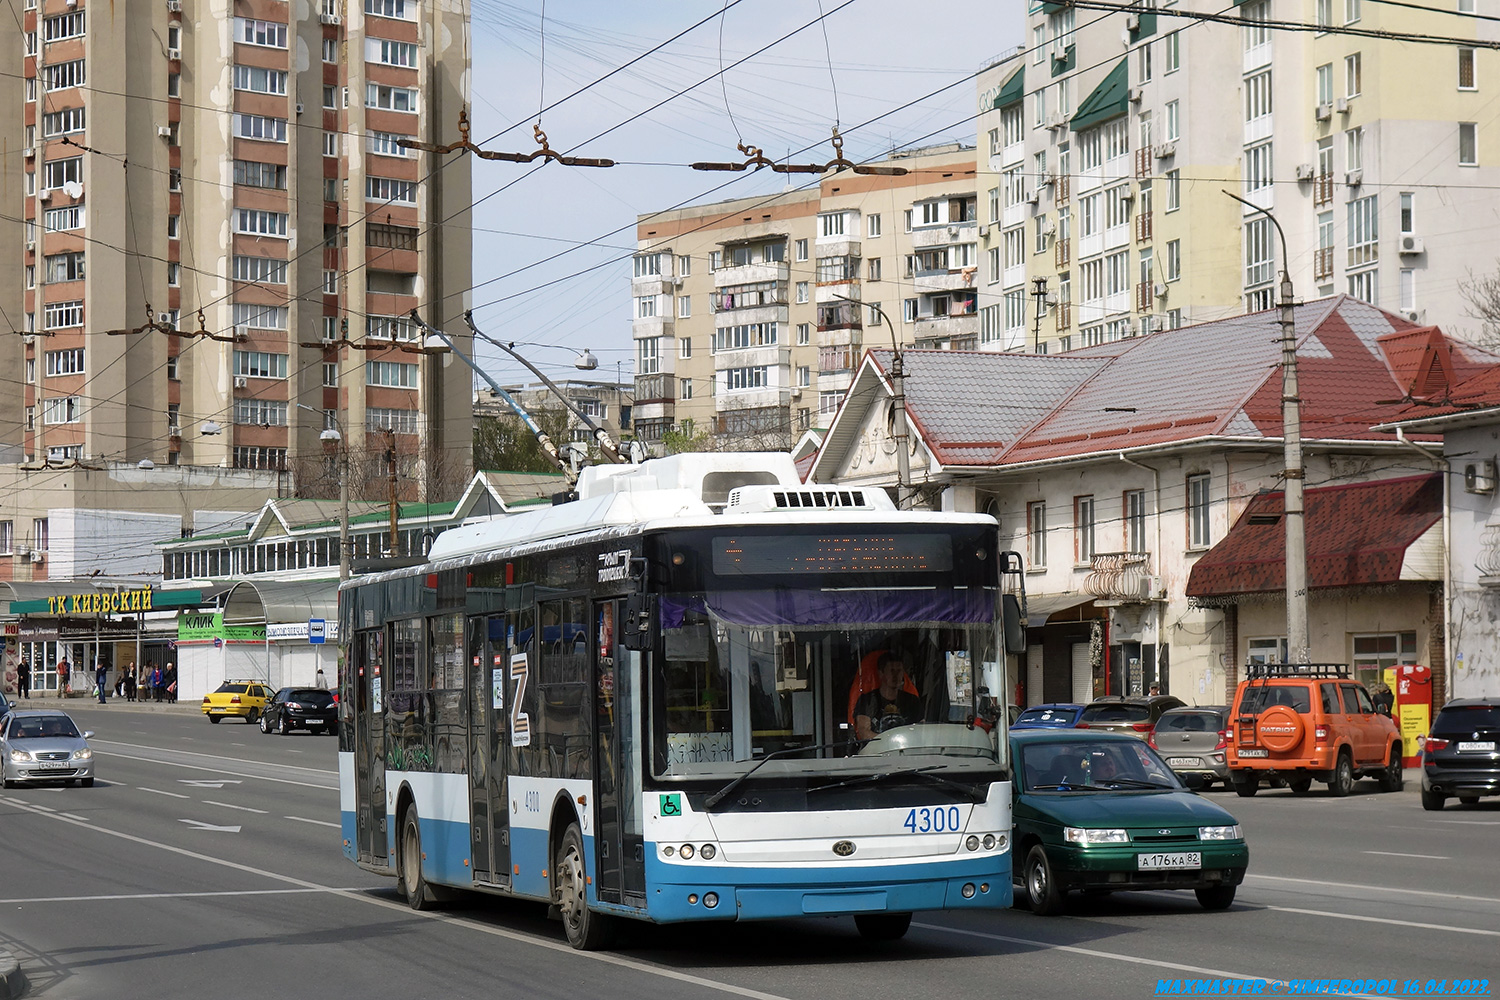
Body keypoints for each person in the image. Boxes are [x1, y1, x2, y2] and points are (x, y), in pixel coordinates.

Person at [854, 652, 922, 740]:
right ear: (881, 673)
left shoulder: (912, 701)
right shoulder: (867, 701)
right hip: (877, 752)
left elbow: (921, 730)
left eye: (899, 671)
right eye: (892, 671)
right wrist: (889, 742)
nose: (896, 676)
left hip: (907, 750)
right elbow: (864, 732)